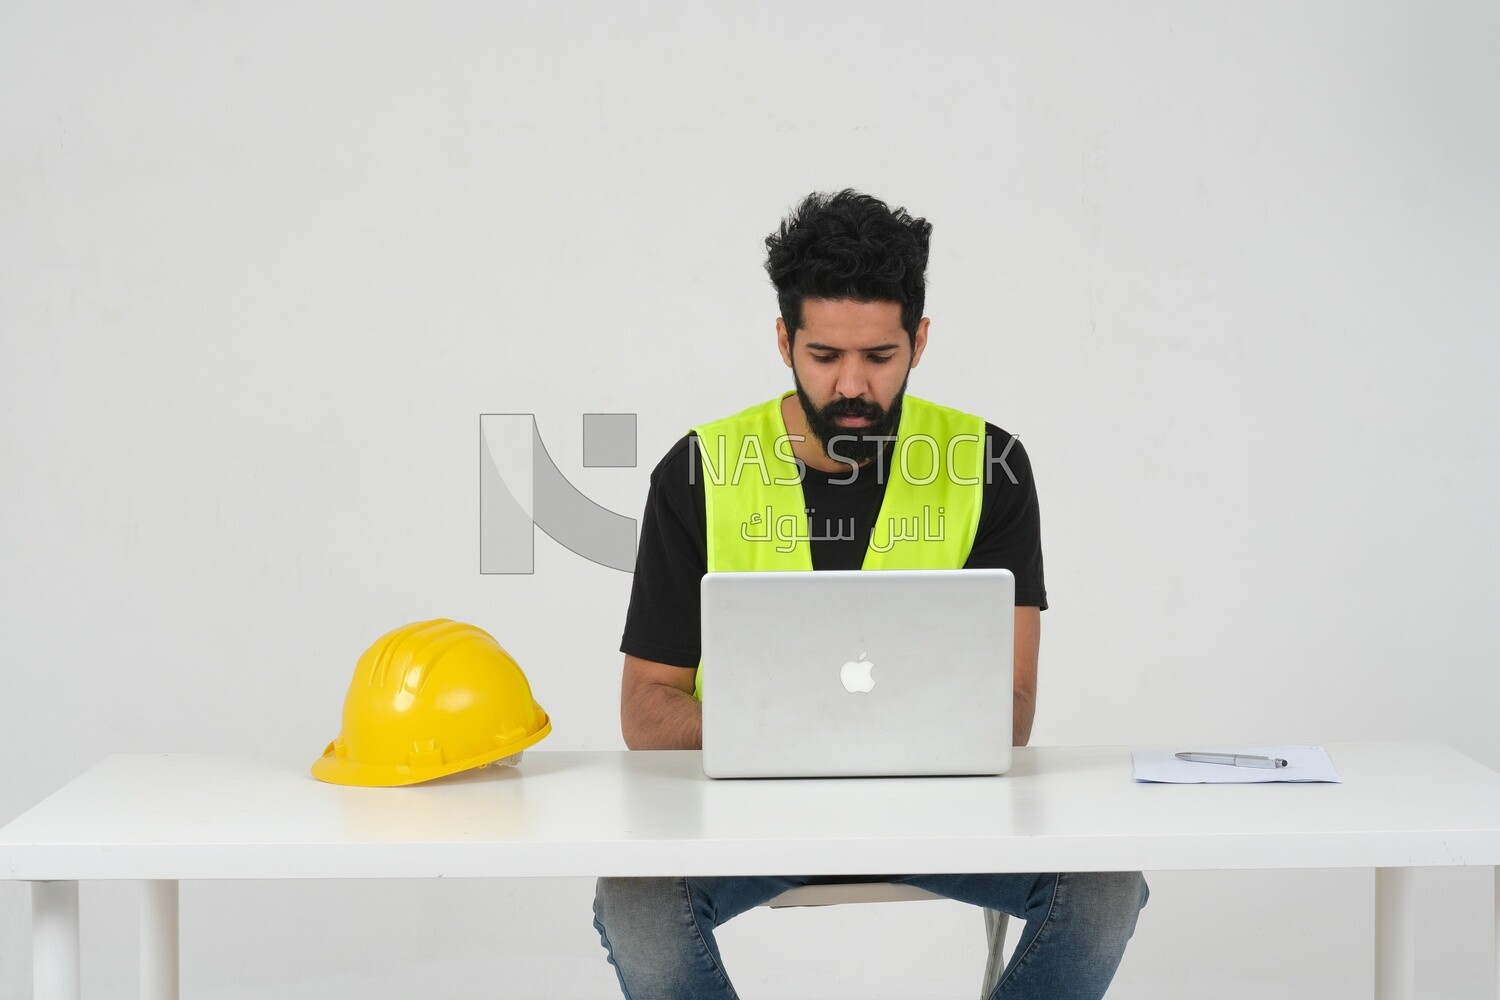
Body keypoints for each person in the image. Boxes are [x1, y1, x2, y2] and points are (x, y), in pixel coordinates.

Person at [594, 189, 1147, 999]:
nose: (851, 384)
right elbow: (646, 706)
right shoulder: (698, 472)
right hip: (749, 816)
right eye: (823, 356)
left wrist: (832, 733)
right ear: (784, 339)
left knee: (1103, 889)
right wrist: (782, 740)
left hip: (940, 816)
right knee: (634, 903)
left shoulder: (989, 466)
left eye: (880, 357)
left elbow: (1014, 707)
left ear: (918, 341)